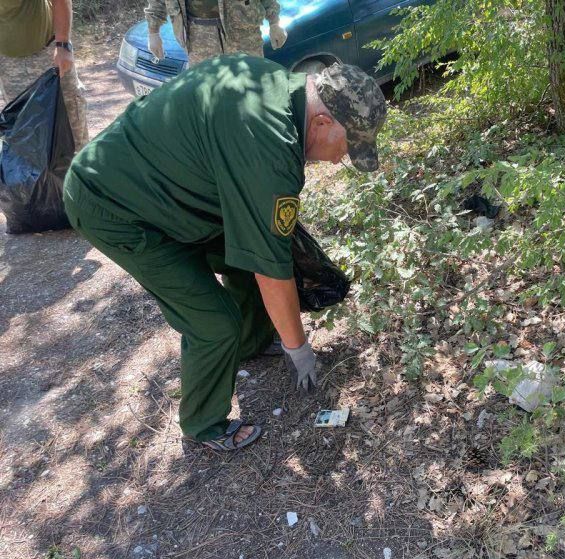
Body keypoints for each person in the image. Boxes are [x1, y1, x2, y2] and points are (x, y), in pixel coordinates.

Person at [63, 57, 386, 451]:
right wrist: (299, 349)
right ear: (321, 122)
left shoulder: (276, 84)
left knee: (247, 255)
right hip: (114, 206)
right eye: (347, 145)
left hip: (170, 190)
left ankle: (251, 342)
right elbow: (272, 269)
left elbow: (257, 245)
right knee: (214, 324)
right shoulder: (270, 149)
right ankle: (203, 423)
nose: (341, 159)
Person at [0, 0, 89, 150]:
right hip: (8, 63)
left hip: (48, 54)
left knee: (71, 126)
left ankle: (81, 171)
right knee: (25, 131)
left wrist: (63, 44)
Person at [144, 0, 288, 65]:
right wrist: (153, 32)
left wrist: (274, 22)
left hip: (243, 34)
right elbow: (157, 2)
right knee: (207, 95)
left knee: (253, 87)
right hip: (198, 38)